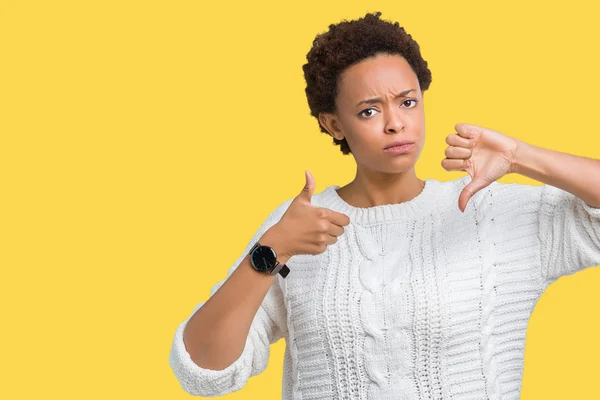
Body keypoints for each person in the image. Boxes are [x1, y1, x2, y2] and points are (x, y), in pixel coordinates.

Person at [168, 11, 600, 399]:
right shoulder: (300, 229)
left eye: (408, 102)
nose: (396, 123)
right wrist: (272, 249)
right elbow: (205, 372)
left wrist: (521, 156)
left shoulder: (488, 212)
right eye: (370, 111)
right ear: (333, 124)